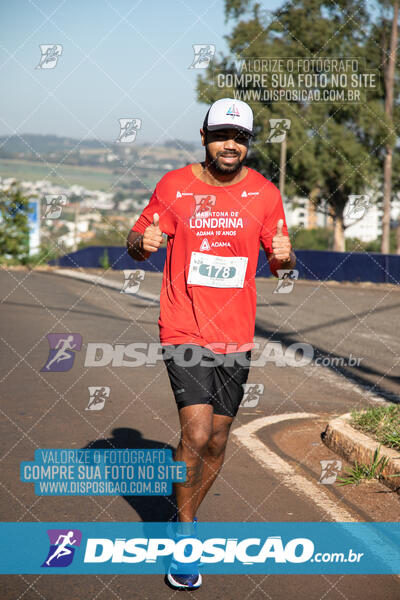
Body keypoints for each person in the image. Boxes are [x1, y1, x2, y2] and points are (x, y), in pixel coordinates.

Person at [126, 98, 296, 589]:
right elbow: (136, 241)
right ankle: (185, 538)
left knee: (219, 440)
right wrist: (143, 244)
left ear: (247, 145)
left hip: (236, 332)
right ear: (204, 137)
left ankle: (187, 520)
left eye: (240, 137)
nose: (231, 144)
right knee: (196, 435)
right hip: (183, 324)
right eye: (222, 135)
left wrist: (285, 258)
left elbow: (280, 263)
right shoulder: (174, 186)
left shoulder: (264, 193)